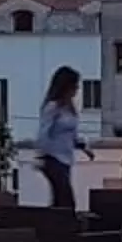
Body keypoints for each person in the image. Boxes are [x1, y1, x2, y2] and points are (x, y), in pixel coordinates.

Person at [37, 66, 83, 209]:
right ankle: (62, 226)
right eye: (74, 86)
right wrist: (43, 154)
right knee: (66, 200)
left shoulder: (69, 108)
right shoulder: (53, 107)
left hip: (66, 160)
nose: (77, 89)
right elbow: (44, 132)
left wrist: (83, 146)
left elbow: (72, 134)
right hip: (54, 159)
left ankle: (52, 226)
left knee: (59, 200)